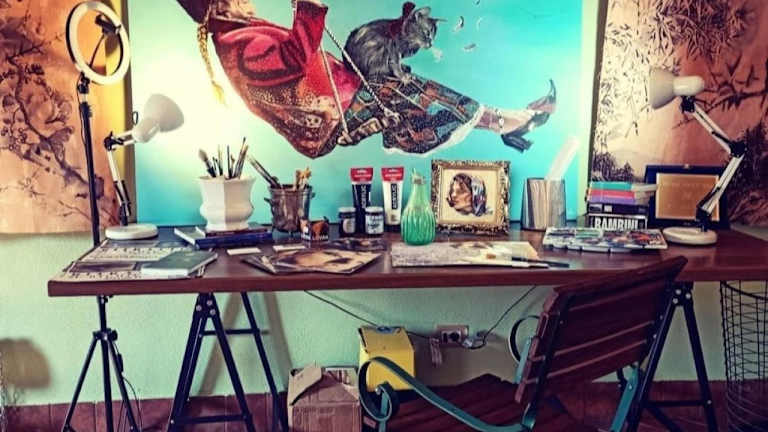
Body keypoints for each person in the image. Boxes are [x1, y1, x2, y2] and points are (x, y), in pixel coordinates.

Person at [176, 0, 557, 158]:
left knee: (409, 91)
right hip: (331, 117)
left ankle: (502, 121)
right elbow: (294, 57)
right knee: (409, 93)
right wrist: (307, 8)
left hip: (337, 102)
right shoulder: (240, 44)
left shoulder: (236, 37)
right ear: (219, 5)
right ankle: (505, 121)